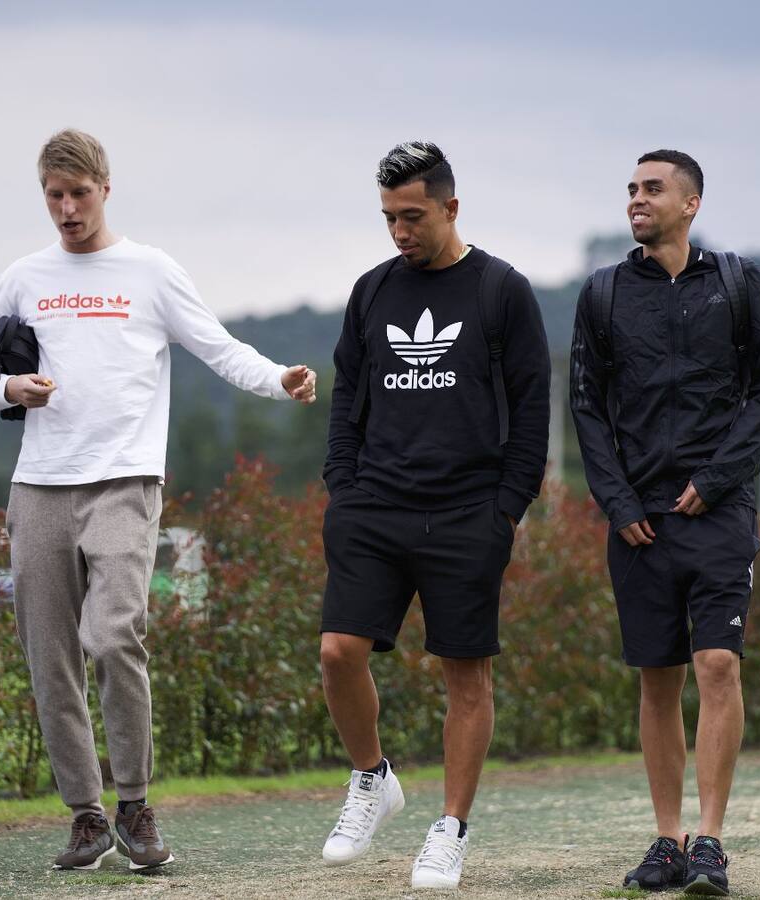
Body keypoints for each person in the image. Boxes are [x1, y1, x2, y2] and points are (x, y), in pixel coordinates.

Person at [0, 128, 317, 872]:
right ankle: (86, 816)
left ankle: (135, 803)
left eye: (78, 194)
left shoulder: (149, 271)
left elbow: (218, 346)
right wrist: (7, 390)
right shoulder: (24, 275)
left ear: (105, 188)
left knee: (116, 634)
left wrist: (278, 377)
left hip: (125, 480)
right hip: (39, 485)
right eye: (54, 196)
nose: (66, 209)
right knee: (48, 651)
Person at [320, 141, 550, 889]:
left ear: (451, 207)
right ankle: (371, 777)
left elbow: (533, 412)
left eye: (412, 216)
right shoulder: (371, 291)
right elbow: (345, 398)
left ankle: (449, 830)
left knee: (465, 677)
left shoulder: (502, 291)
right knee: (337, 652)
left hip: (467, 515)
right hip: (373, 507)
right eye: (388, 217)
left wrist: (505, 511)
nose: (399, 232)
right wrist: (342, 491)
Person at [570, 150, 760, 896]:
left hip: (719, 511)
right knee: (657, 678)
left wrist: (717, 477)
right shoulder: (601, 295)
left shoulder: (736, 282)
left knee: (717, 665)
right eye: (631, 189)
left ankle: (712, 842)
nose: (637, 199)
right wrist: (617, 500)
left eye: (652, 189)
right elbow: (587, 406)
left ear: (690, 203)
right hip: (638, 521)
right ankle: (668, 840)